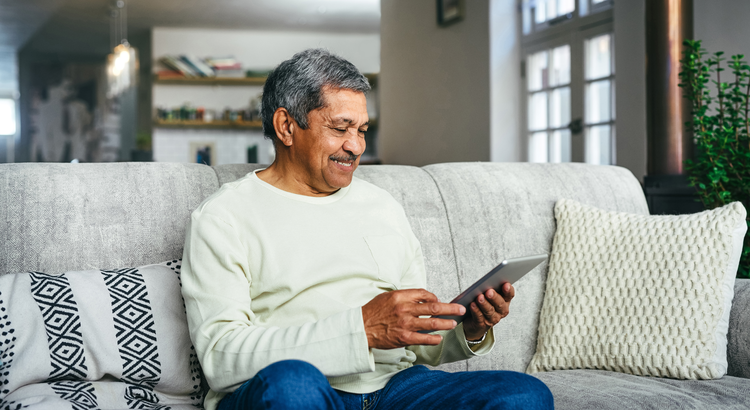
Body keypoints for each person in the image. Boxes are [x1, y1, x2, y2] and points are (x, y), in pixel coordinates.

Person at [181, 48, 553, 410]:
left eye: (361, 129)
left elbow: (418, 342)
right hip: (299, 389)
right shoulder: (224, 216)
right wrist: (361, 329)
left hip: (395, 390)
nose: (356, 146)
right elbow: (221, 356)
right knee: (292, 387)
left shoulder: (382, 206)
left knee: (522, 394)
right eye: (341, 128)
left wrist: (468, 328)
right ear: (286, 126)